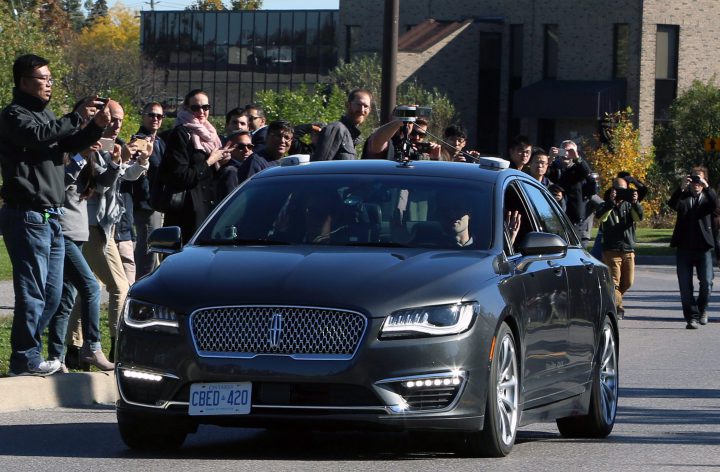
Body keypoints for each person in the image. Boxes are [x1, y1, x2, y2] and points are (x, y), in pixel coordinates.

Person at [0, 54, 109, 376]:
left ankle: (29, 354)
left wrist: (95, 127)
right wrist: (76, 116)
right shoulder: (12, 116)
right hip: (27, 215)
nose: (49, 83)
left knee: (53, 293)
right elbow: (39, 137)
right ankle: (24, 358)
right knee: (33, 293)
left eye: (50, 78)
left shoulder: (44, 116)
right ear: (23, 81)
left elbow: (64, 146)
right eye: (42, 78)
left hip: (51, 216)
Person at [66, 100, 150, 364]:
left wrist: (142, 162)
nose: (116, 125)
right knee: (119, 286)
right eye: (112, 119)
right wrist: (118, 162)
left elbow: (125, 176)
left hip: (105, 226)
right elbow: (101, 184)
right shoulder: (90, 145)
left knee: (88, 286)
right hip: (91, 225)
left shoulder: (112, 146)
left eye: (121, 120)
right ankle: (117, 348)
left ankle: (73, 348)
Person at [47, 124, 121, 372]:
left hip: (80, 232)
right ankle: (92, 347)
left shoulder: (89, 158)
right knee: (90, 286)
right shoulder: (63, 155)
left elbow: (103, 184)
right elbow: (60, 182)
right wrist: (81, 155)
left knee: (65, 299)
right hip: (62, 232)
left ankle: (56, 358)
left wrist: (115, 163)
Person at [158, 89, 235, 244]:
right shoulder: (180, 133)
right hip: (187, 211)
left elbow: (211, 174)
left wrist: (222, 161)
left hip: (208, 207)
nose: (201, 111)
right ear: (186, 109)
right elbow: (181, 176)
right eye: (196, 108)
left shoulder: (211, 134)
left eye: (206, 107)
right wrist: (210, 161)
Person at [668, 167, 717, 329]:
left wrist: (707, 187)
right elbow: (673, 205)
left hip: (703, 248)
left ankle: (702, 309)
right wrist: (681, 187)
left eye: (699, 180)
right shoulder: (684, 197)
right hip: (684, 248)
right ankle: (692, 317)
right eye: (693, 180)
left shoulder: (708, 198)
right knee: (685, 286)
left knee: (707, 283)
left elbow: (716, 205)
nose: (695, 183)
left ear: (704, 182)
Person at [596, 178, 643, 320]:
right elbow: (601, 218)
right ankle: (618, 307)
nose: (620, 192)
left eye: (623, 189)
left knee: (628, 282)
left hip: (628, 248)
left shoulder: (630, 206)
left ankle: (611, 300)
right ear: (612, 190)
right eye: (617, 189)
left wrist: (635, 203)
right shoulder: (605, 205)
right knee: (615, 281)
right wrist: (611, 202)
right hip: (611, 249)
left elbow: (638, 218)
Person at [132, 102, 166, 279]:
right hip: (146, 202)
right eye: (151, 115)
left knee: (156, 253)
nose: (155, 119)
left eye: (159, 116)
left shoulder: (160, 141)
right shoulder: (139, 140)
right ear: (143, 116)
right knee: (148, 251)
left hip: (158, 201)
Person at [312, 88, 372, 161]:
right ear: (347, 105)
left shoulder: (352, 137)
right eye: (359, 105)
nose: (362, 110)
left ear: (369, 110)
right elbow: (320, 165)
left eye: (366, 106)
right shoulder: (337, 129)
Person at [548, 140, 592, 234]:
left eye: (569, 151)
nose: (566, 154)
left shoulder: (577, 168)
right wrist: (550, 157)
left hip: (574, 218)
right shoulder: (555, 167)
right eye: (563, 151)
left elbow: (586, 172)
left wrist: (577, 158)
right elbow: (544, 172)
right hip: (555, 216)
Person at [216, 130, 256, 200]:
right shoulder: (231, 172)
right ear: (229, 148)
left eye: (249, 146)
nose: (246, 150)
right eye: (241, 146)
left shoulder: (250, 169)